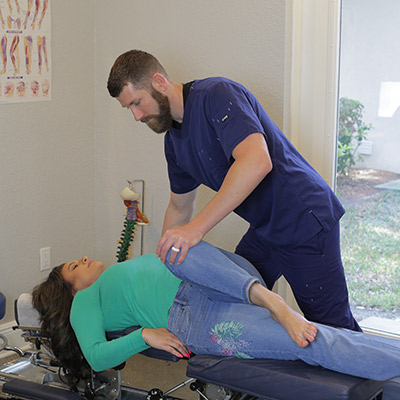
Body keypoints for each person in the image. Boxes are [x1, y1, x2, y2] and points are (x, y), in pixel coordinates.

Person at [107, 50, 360, 332]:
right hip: (265, 228)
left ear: (159, 82)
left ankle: (380, 374)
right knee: (233, 294)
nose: (136, 116)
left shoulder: (216, 95)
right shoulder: (174, 143)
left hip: (302, 218)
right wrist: (160, 266)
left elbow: (256, 161)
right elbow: (179, 207)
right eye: (128, 108)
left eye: (137, 103)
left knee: (336, 329)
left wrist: (196, 229)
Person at [33, 241, 400, 382]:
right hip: (193, 317)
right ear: (71, 289)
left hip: (208, 279)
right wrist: (143, 335)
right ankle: (273, 303)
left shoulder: (113, 274)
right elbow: (96, 358)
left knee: (178, 243)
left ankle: (270, 300)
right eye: (73, 267)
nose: (82, 258)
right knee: (311, 340)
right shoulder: (84, 301)